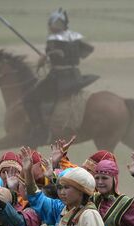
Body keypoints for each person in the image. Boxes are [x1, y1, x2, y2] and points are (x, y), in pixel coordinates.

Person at [23, 9, 96, 146]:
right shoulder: (74, 36)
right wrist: (67, 58)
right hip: (75, 75)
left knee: (29, 99)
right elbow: (87, 50)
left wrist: (46, 58)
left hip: (59, 79)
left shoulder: (53, 39)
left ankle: (40, 130)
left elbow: (50, 54)